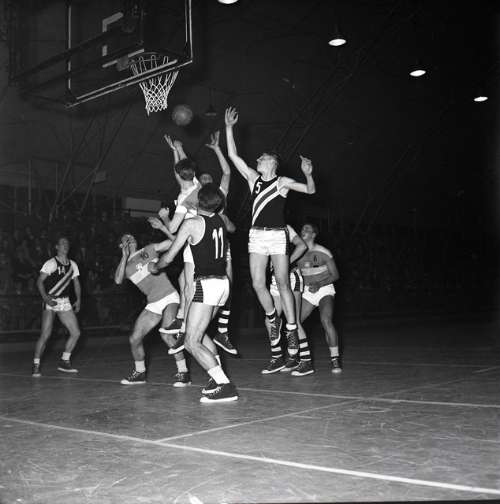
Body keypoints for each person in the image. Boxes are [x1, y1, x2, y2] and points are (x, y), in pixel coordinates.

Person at [225, 106, 315, 372]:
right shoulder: (253, 179)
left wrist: (308, 172)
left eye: (262, 158)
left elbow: (310, 190)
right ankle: (272, 318)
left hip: (277, 236)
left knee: (283, 282)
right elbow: (233, 155)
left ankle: (291, 329)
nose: (257, 159)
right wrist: (228, 128)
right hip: (256, 236)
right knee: (257, 283)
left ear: (272, 163)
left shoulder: (282, 182)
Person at [150, 184, 237, 403]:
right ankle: (216, 379)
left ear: (198, 201)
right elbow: (232, 227)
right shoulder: (222, 219)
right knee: (199, 332)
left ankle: (224, 385)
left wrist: (156, 267)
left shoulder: (192, 223)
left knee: (190, 341)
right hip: (222, 284)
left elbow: (170, 257)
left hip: (206, 285)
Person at [114, 233, 189, 386]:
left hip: (169, 296)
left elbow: (174, 242)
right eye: (126, 239)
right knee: (134, 338)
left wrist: (176, 232)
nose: (130, 239)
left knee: (166, 334)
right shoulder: (126, 267)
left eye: (132, 237)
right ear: (122, 245)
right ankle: (140, 373)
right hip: (153, 302)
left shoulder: (148, 249)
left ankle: (183, 372)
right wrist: (124, 256)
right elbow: (117, 280)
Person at [32, 236, 82, 377]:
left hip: (65, 302)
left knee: (76, 333)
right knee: (46, 334)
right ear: (57, 247)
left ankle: (64, 362)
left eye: (67, 243)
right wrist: (45, 298)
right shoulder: (51, 263)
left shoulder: (73, 265)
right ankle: (36, 364)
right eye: (62, 243)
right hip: (51, 300)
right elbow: (39, 281)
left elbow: (76, 283)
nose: (65, 245)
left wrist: (78, 300)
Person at [296, 223, 342, 374]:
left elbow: (335, 275)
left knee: (325, 320)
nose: (303, 230)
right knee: (294, 324)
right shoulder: (297, 253)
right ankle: (298, 358)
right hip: (307, 292)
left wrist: (319, 284)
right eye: (302, 228)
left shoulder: (323, 252)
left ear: (313, 234)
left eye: (307, 229)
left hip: (324, 289)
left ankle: (335, 359)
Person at [267, 224, 312, 374]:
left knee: (294, 321)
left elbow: (302, 246)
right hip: (275, 279)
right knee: (270, 321)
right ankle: (278, 358)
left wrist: (285, 264)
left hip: (291, 277)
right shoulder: (260, 229)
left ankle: (306, 361)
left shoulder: (284, 227)